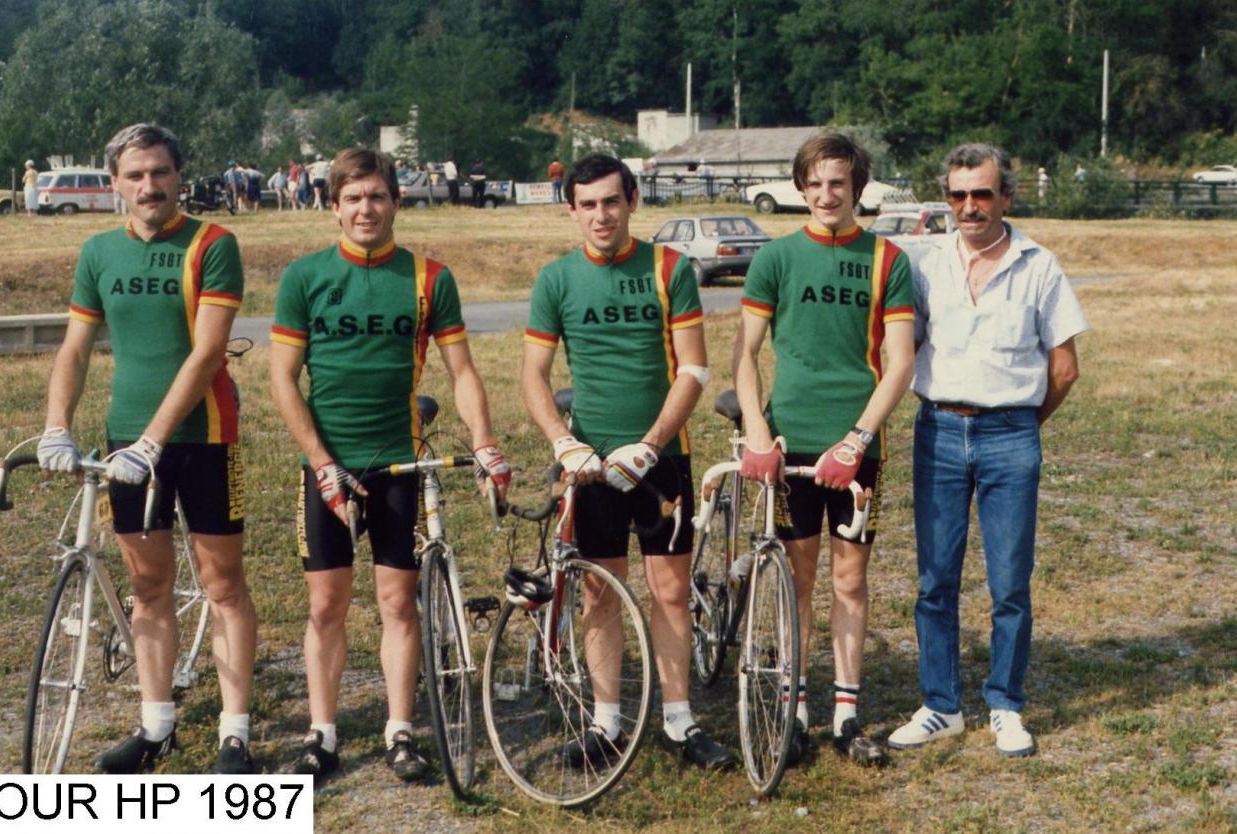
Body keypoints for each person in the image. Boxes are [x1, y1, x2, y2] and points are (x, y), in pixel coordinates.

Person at [270, 148, 511, 785]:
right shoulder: (305, 277)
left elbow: (461, 372)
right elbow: (282, 381)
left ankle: (399, 731)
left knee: (398, 602)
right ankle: (322, 734)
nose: (365, 209)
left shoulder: (430, 277)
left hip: (400, 465)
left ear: (396, 202)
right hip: (329, 467)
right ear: (333, 207)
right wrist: (321, 462)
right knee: (326, 606)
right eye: (352, 198)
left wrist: (483, 442)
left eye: (377, 196)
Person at [36, 123, 257, 774]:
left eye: (159, 172)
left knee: (222, 585)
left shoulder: (213, 244)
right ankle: (156, 723)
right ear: (114, 185)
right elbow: (75, 347)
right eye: (135, 175)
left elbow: (208, 352)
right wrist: (57, 425)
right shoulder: (98, 252)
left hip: (203, 436)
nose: (149, 185)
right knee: (149, 585)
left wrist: (153, 442)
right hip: (124, 438)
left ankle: (234, 733)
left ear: (177, 177)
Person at [522, 153, 734, 770]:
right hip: (590, 462)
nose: (600, 215)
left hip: (661, 460)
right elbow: (534, 375)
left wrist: (651, 443)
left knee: (670, 592)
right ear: (571, 210)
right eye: (587, 205)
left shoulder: (669, 268)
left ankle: (678, 720)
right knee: (598, 591)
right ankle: (606, 721)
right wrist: (564, 441)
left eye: (611, 201)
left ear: (633, 199)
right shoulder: (557, 279)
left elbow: (693, 368)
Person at [887, 143, 1089, 757]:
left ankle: (1005, 704)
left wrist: (1022, 425)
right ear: (945, 198)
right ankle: (940, 706)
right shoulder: (924, 264)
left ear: (1007, 196)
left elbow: (1064, 368)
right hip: (939, 432)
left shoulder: (1039, 266)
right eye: (957, 195)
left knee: (1009, 583)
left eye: (982, 194)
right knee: (934, 580)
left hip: (1011, 436)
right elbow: (901, 346)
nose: (969, 207)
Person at [733, 132, 915, 767]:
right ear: (801, 187)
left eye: (838, 183)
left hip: (856, 447)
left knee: (851, 578)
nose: (826, 195)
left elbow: (899, 364)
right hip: (790, 445)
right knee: (796, 577)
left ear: (856, 187)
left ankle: (846, 711)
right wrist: (758, 431)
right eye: (814, 183)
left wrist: (857, 439)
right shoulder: (776, 257)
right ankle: (795, 703)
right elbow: (745, 357)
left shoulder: (888, 259)